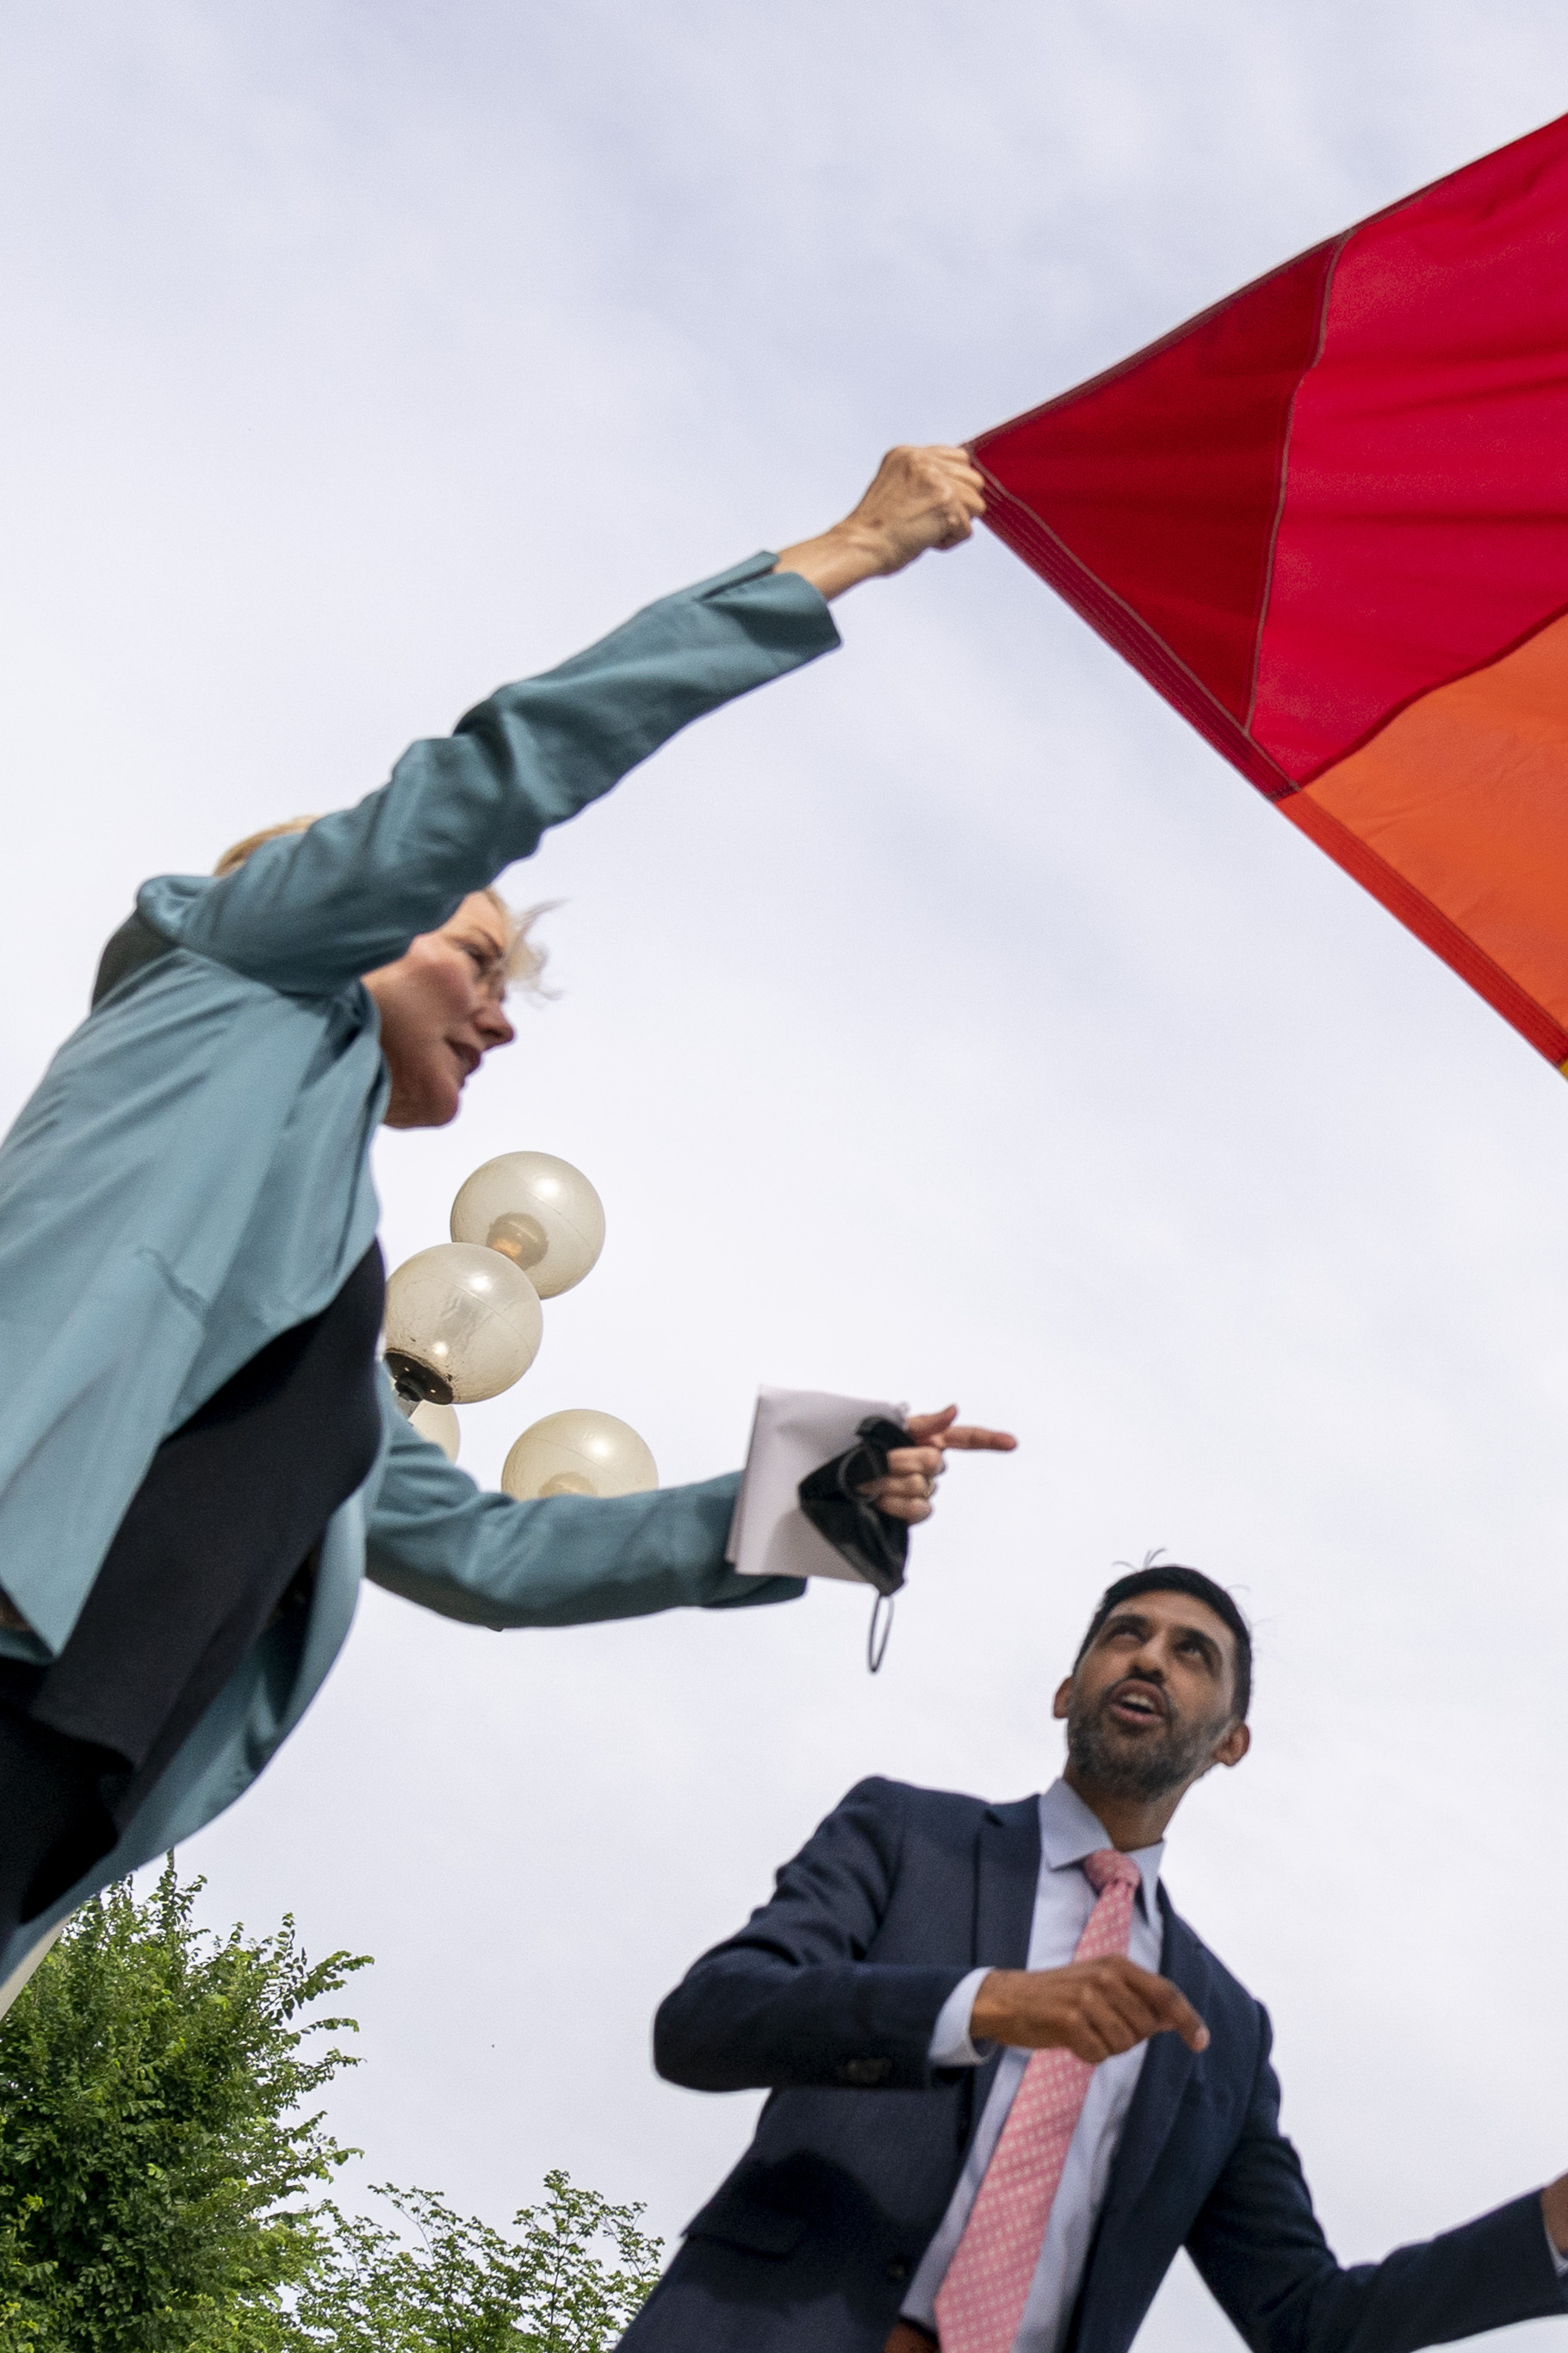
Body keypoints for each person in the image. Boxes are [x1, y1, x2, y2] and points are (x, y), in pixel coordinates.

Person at [0, 447, 1018, 1982]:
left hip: (59, 1773)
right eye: (476, 952)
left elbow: (485, 1553)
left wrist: (818, 1488)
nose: (502, 1009)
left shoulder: (328, 1299)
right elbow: (502, 767)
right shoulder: (239, 964)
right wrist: (848, 549)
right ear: (334, 904)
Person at [590, 1567, 1568, 2353]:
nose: (1149, 1657)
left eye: (1192, 1653)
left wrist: (1565, 2209)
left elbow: (1305, 2323)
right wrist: (981, 2002)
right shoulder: (905, 1833)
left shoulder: (1220, 2026)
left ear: (1230, 1740)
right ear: (1067, 1684)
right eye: (1125, 1635)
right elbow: (708, 2019)